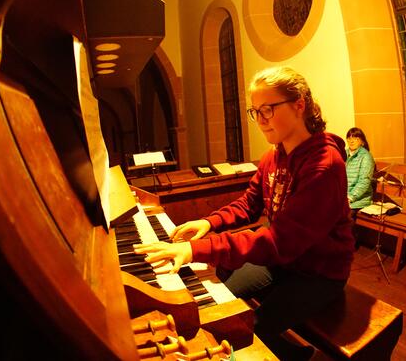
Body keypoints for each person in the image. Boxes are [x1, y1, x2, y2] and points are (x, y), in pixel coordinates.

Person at [134, 66, 354, 360]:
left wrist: (195, 250)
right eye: (255, 111)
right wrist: (208, 222)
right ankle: (295, 352)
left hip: (319, 272)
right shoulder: (273, 156)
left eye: (268, 110)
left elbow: (280, 241)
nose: (260, 120)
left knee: (243, 328)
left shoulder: (324, 166)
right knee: (221, 309)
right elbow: (250, 203)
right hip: (284, 262)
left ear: (299, 105)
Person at [345, 127, 375, 212]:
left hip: (359, 200)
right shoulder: (343, 153)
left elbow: (364, 181)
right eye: (349, 138)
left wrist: (350, 197)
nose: (351, 141)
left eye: (356, 138)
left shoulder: (366, 157)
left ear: (362, 141)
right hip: (343, 198)